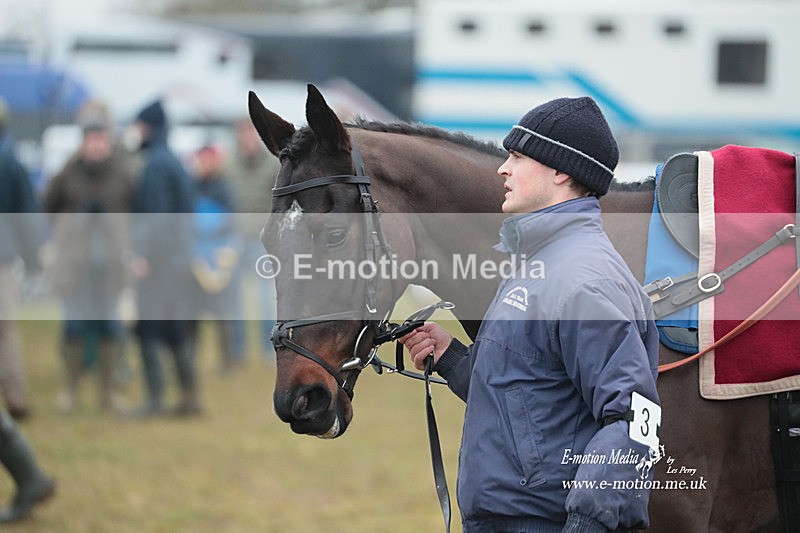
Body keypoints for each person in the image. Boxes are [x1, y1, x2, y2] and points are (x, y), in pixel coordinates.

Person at [400, 97, 660, 532]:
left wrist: (588, 524)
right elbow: (532, 396)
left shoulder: (583, 281)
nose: (502, 169)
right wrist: (453, 359)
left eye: (517, 157)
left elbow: (636, 419)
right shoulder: (535, 263)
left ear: (561, 171)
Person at [42, 101, 135, 413]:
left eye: (100, 138)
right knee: (75, 326)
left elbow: (136, 212)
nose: (96, 144)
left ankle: (107, 394)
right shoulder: (68, 173)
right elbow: (46, 206)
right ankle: (70, 390)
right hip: (75, 266)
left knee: (110, 326)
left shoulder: (121, 174)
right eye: (90, 138)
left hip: (109, 266)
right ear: (82, 140)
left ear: (108, 140)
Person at [130, 100, 200, 417]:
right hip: (178, 260)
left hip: (159, 263)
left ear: (149, 127)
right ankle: (189, 399)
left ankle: (155, 401)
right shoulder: (174, 161)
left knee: (148, 330)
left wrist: (142, 256)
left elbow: (154, 217)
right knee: (176, 330)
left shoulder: (155, 164)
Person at [0, 96, 44, 420]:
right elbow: (26, 215)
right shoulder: (10, 160)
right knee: (4, 330)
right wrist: (33, 259)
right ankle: (15, 399)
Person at [223, 116, 280, 359]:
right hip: (234, 241)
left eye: (251, 134)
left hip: (262, 242)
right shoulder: (227, 166)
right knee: (234, 299)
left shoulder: (272, 165)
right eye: (243, 134)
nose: (247, 140)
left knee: (266, 298)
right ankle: (238, 351)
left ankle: (270, 350)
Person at [187, 144, 244, 374]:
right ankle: (191, 359)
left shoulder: (224, 188)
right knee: (192, 313)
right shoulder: (189, 187)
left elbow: (231, 222)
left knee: (223, 314)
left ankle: (227, 362)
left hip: (218, 260)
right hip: (195, 258)